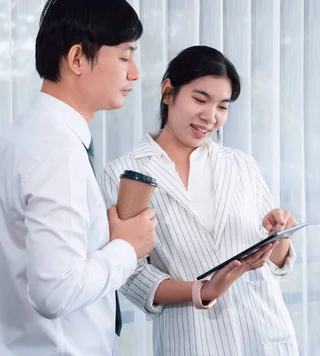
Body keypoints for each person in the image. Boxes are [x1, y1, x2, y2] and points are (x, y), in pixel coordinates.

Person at [0, 0, 158, 356]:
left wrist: (105, 235)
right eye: (125, 56)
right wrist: (127, 248)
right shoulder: (58, 152)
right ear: (77, 59)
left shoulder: (28, 132)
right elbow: (55, 293)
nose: (135, 73)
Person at [98, 45, 299, 355]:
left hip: (264, 334)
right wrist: (202, 290)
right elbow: (133, 276)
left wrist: (278, 236)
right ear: (168, 92)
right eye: (200, 99)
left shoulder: (240, 164)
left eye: (223, 106)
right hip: (192, 340)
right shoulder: (125, 174)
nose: (211, 116)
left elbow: (278, 262)